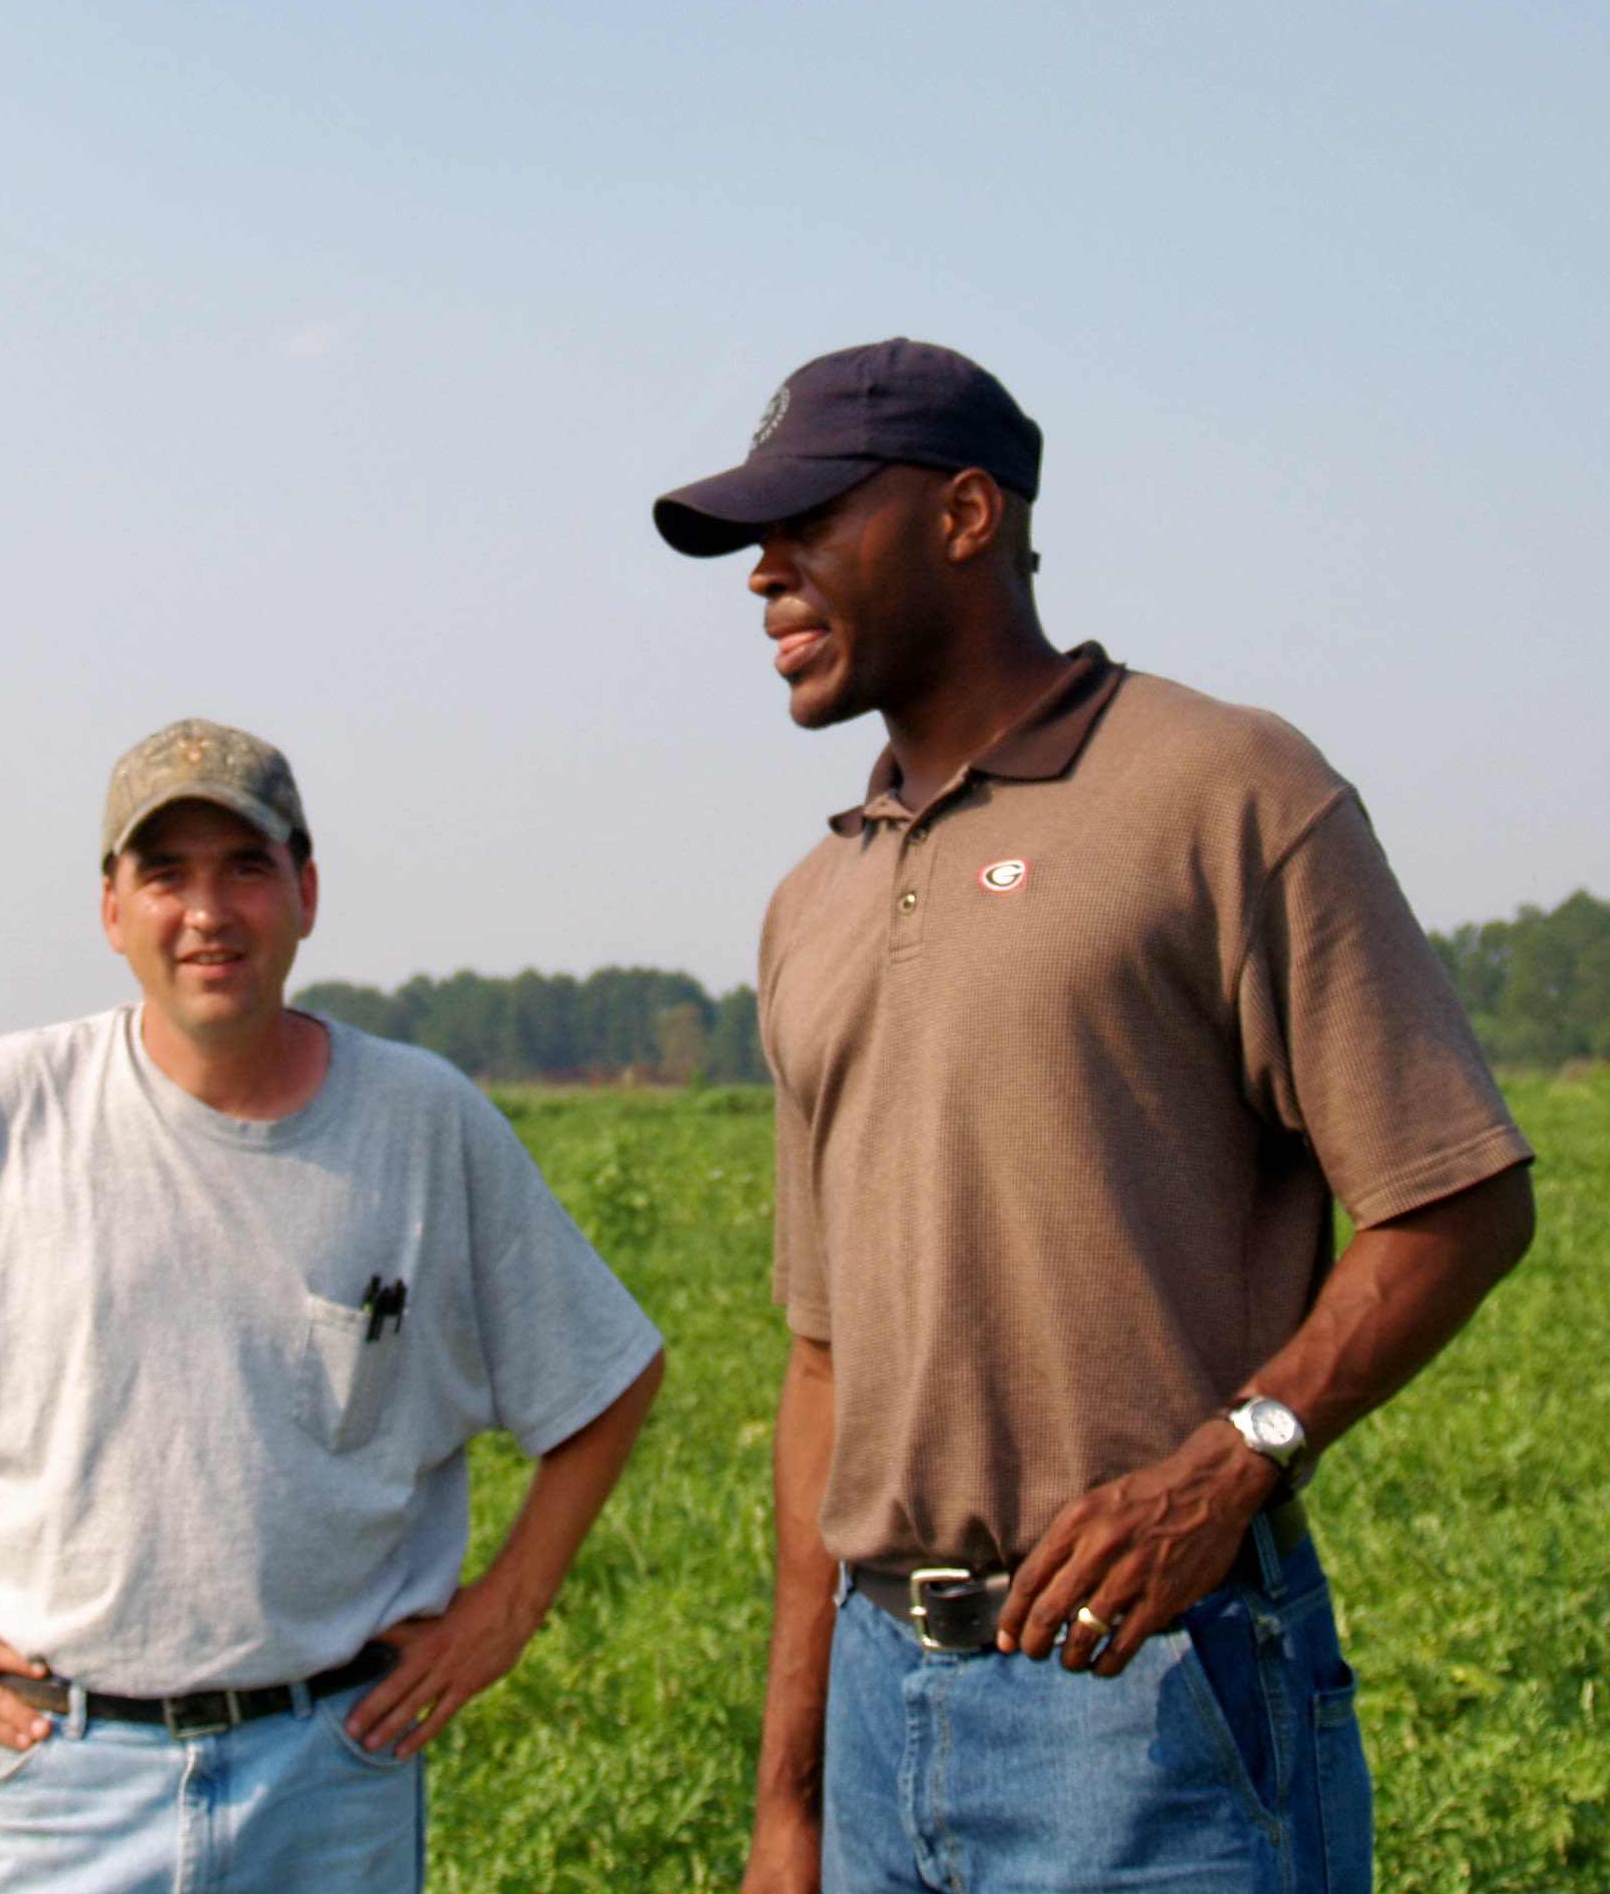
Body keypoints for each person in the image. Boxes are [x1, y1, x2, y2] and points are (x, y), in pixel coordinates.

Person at [653, 341, 1536, 1894]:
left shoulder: (1222, 791)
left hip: (1145, 1696)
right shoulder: (815, 900)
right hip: (878, 1709)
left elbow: (1456, 1197)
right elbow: (821, 1365)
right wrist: (787, 1797)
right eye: (751, 545)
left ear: (967, 515)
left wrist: (1236, 1456)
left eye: (808, 526)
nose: (763, 577)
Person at [0, 719, 667, 1894]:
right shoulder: (0, 1111)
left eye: (245, 868)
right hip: (53, 1778)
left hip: (331, 1773)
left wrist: (506, 1611)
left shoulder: (423, 1124)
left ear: (307, 892)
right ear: (111, 910)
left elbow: (608, 1372)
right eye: (164, 874)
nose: (208, 912)